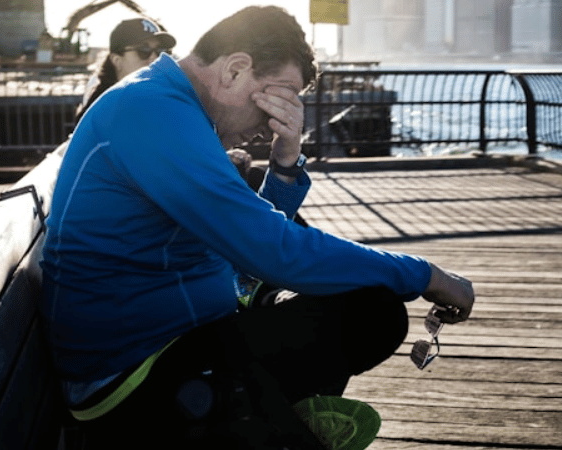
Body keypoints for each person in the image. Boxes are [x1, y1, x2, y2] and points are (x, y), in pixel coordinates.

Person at [40, 5, 474, 449]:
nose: (280, 115)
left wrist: (285, 163)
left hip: (174, 340)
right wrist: (426, 275)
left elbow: (247, 243)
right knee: (366, 311)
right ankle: (272, 429)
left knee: (370, 309)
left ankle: (270, 421)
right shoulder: (153, 113)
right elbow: (272, 252)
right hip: (131, 380)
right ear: (235, 69)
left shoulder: (171, 104)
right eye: (280, 93)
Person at [74, 17, 176, 123]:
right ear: (117, 60)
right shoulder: (104, 113)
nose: (155, 59)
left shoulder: (163, 103)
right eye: (144, 50)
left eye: (161, 51)